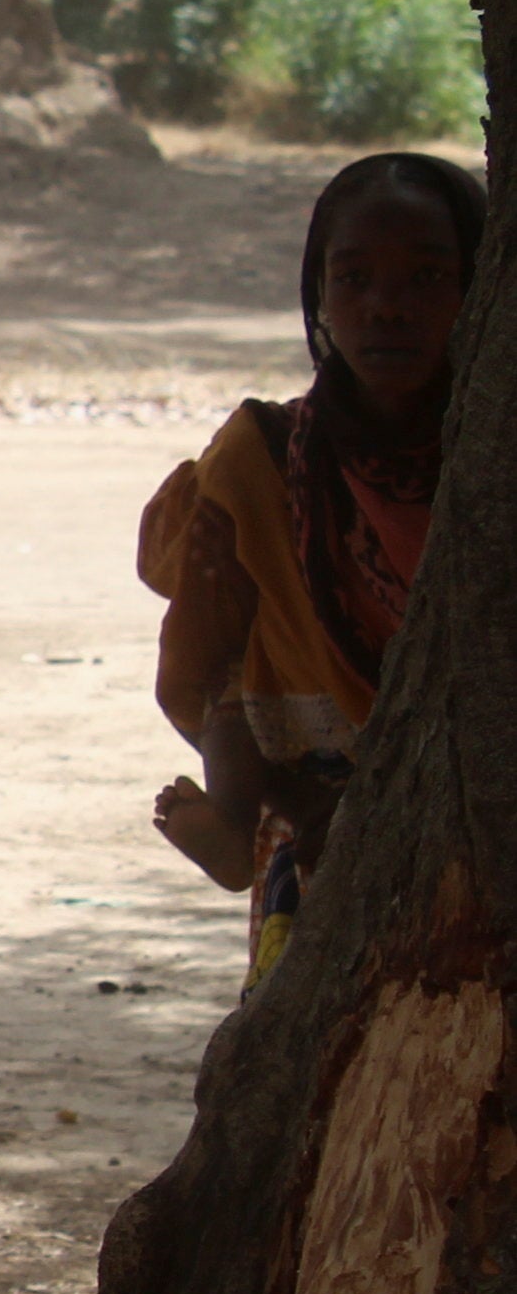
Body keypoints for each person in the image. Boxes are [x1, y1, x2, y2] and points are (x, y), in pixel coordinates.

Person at [141, 152, 482, 987]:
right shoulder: (264, 458)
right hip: (314, 828)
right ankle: (234, 813)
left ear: (481, 288)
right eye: (354, 278)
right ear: (320, 292)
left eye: (427, 277)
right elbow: (198, 655)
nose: (385, 307)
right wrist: (289, 806)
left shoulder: (487, 463)